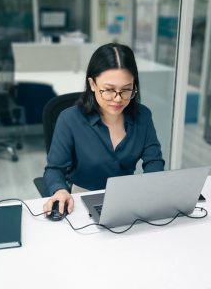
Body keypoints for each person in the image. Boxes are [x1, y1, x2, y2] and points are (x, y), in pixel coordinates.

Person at [43, 43, 165, 215]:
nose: (117, 99)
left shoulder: (143, 116)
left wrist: (152, 188)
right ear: (92, 84)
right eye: (108, 90)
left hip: (127, 200)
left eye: (126, 90)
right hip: (81, 202)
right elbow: (54, 169)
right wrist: (60, 190)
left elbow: (154, 161)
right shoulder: (70, 119)